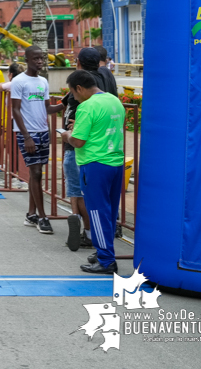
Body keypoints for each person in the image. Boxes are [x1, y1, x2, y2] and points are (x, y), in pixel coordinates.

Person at [63, 70, 126, 274]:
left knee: (97, 213)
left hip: (94, 164)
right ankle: (103, 252)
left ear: (79, 88)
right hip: (116, 163)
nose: (73, 96)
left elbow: (78, 141)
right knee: (108, 212)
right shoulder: (114, 101)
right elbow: (104, 127)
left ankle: (106, 260)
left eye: (73, 92)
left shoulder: (86, 107)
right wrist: (79, 127)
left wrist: (66, 135)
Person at [10, 45, 62, 235]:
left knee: (36, 175)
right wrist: (26, 136)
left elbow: (47, 108)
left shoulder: (43, 81)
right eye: (36, 59)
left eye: (42, 58)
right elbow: (15, 110)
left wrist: (65, 103)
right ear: (27, 60)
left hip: (43, 132)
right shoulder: (19, 81)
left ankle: (31, 214)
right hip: (27, 133)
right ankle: (42, 217)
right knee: (37, 173)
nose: (40, 62)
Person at [60, 50, 106, 252]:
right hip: (108, 153)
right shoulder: (107, 79)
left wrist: (70, 133)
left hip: (82, 149)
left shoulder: (86, 95)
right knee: (97, 195)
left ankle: (85, 229)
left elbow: (77, 140)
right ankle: (98, 235)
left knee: (77, 190)